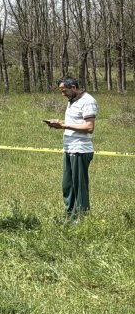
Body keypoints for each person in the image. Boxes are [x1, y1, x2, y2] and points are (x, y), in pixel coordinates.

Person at [45, 77, 97, 219]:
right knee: (68, 185)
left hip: (80, 149)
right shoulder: (73, 100)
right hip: (69, 148)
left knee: (79, 186)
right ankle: (70, 216)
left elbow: (89, 127)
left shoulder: (88, 101)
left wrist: (64, 126)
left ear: (73, 87)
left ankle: (82, 217)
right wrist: (59, 123)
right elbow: (75, 122)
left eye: (64, 91)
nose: (63, 94)